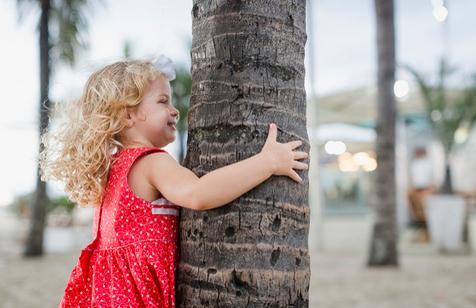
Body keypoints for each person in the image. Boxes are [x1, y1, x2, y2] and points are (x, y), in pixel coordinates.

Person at [39, 55, 309, 307]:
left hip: (109, 292)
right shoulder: (151, 162)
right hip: (133, 296)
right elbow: (199, 193)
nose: (174, 110)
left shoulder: (115, 164)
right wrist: (266, 163)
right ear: (128, 114)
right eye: (162, 101)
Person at [408, 146, 435, 242]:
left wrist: (430, 189)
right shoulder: (415, 163)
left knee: (426, 213)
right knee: (418, 213)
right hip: (416, 190)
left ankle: (427, 234)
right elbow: (414, 178)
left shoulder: (429, 163)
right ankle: (421, 233)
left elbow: (431, 178)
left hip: (426, 190)